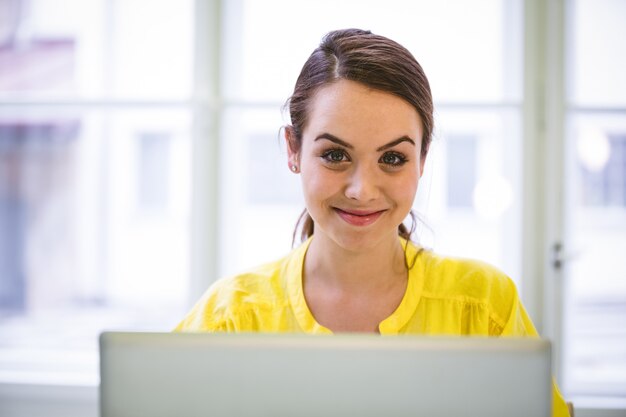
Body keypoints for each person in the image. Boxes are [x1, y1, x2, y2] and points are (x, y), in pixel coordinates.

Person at [176, 28, 570, 417]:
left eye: (393, 158)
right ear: (293, 150)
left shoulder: (485, 308)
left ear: (422, 160)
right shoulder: (229, 318)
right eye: (334, 155)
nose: (362, 191)